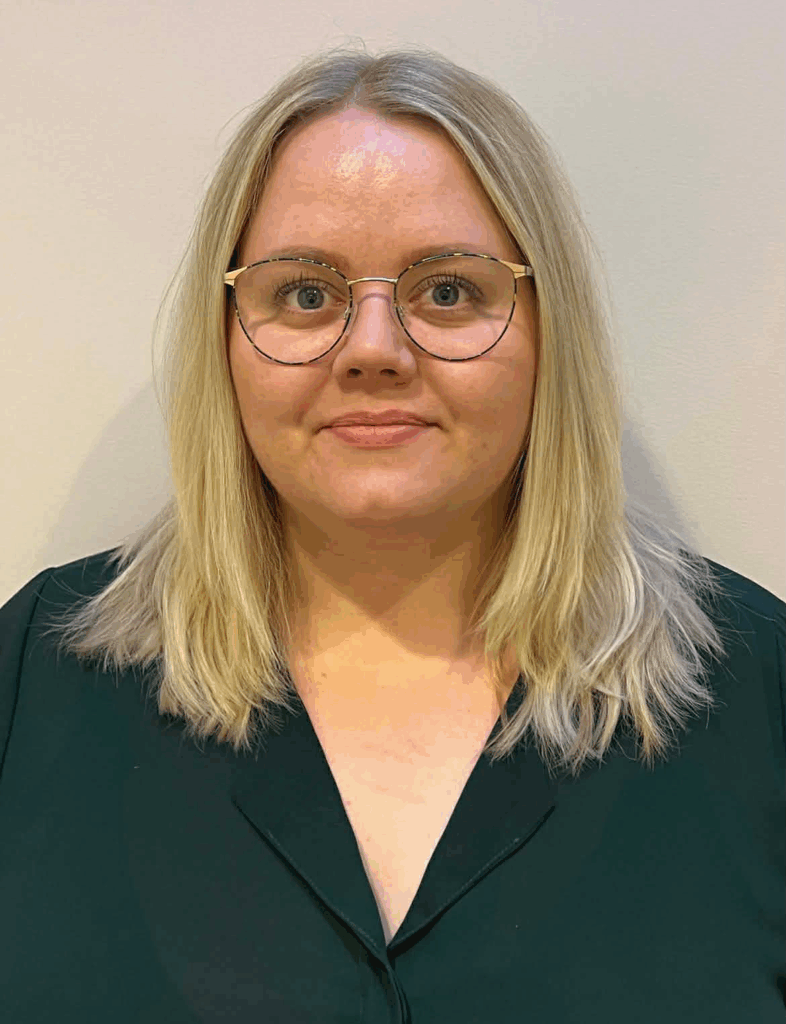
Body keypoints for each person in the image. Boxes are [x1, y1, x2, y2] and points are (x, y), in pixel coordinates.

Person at [1, 42, 783, 1023]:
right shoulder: (37, 679)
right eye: (305, 293)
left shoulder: (758, 693)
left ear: (551, 331)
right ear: (226, 336)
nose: (373, 351)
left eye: (448, 290)